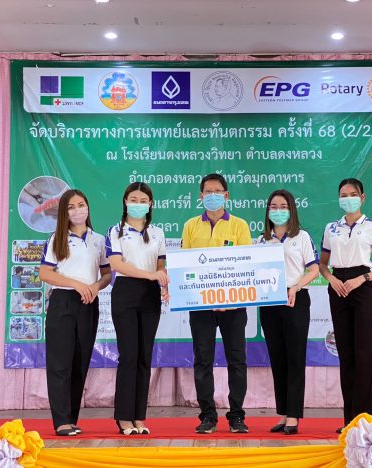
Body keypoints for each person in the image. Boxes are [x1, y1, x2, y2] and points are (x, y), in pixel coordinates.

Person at [319, 178, 372, 433]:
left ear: (362, 198)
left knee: (364, 353)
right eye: (343, 194)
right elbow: (323, 264)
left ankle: (365, 421)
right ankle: (349, 421)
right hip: (338, 288)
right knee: (346, 354)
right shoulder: (331, 228)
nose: (347, 198)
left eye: (353, 194)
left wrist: (362, 279)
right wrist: (332, 280)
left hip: (362, 287)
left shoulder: (371, 227)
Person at [181, 173, 252, 434]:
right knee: (203, 360)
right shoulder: (190, 226)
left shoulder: (239, 225)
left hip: (233, 306)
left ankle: (237, 417)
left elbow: (245, 264)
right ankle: (208, 417)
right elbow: (186, 266)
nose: (213, 196)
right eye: (208, 192)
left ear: (226, 195)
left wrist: (229, 299)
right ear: (201, 196)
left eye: (217, 191)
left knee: (237, 359)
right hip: (201, 306)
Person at [39, 189, 111, 436]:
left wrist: (95, 286)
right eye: (71, 207)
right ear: (64, 212)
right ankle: (60, 421)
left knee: (80, 362)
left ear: (88, 208)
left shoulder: (99, 240)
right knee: (60, 363)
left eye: (81, 205)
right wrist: (76, 284)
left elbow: (107, 274)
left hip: (89, 303)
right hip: (63, 302)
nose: (78, 210)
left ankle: (71, 418)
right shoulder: (57, 239)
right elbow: (45, 273)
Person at [106, 182, 168, 436]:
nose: (138, 204)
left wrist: (163, 281)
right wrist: (150, 274)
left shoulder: (158, 233)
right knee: (129, 355)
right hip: (125, 293)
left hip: (150, 295)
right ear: (125, 201)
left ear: (150, 204)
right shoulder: (115, 231)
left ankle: (139, 417)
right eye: (133, 199)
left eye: (143, 201)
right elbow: (116, 264)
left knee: (144, 356)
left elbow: (161, 265)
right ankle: (123, 417)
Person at [258, 190, 319, 435]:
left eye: (283, 206)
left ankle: (294, 415)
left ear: (291, 209)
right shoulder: (261, 240)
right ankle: (283, 413)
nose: (278, 210)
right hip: (269, 302)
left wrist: (296, 287)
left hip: (296, 299)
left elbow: (314, 269)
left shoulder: (301, 237)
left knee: (295, 358)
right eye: (273, 206)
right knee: (277, 358)